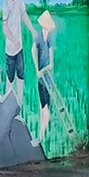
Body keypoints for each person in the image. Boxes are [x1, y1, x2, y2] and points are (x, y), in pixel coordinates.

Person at [0, 0, 37, 106]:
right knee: (10, 78)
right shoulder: (6, 0)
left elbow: (23, 14)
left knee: (21, 76)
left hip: (19, 46)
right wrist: (13, 40)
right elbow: (4, 27)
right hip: (10, 48)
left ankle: (20, 106)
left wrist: (33, 30)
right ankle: (8, 108)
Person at [33, 10, 57, 146]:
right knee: (45, 109)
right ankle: (42, 136)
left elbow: (51, 51)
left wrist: (51, 64)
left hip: (48, 77)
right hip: (42, 78)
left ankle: (43, 135)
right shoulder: (39, 38)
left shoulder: (49, 39)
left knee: (47, 107)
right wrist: (37, 69)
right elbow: (33, 51)